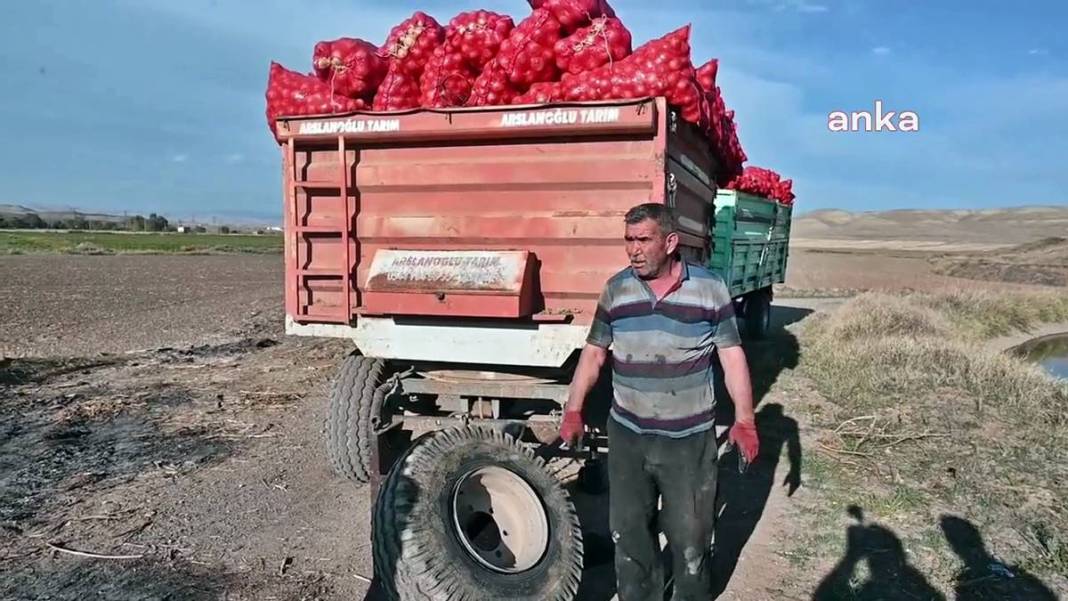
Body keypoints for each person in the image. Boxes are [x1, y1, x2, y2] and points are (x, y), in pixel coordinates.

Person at [559, 202, 759, 601]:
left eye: (643, 240)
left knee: (691, 539)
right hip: (629, 436)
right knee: (631, 536)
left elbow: (731, 356)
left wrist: (745, 420)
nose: (633, 250)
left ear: (670, 242)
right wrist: (574, 408)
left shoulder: (709, 288)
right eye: (628, 240)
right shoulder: (617, 288)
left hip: (688, 440)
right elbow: (595, 351)